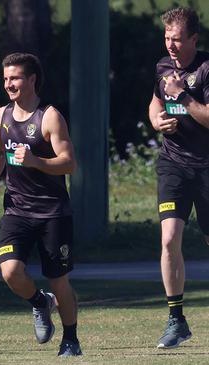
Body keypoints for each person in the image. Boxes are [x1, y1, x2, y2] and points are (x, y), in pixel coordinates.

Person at [0, 52, 81, 357]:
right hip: (17, 210)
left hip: (52, 212)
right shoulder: (1, 116)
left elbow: (69, 164)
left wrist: (36, 161)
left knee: (58, 279)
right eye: (6, 79)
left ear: (32, 80)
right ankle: (39, 302)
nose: (9, 84)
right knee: (10, 271)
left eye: (15, 78)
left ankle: (71, 339)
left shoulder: (50, 116)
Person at [148, 6, 209, 349]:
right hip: (173, 163)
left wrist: (183, 97)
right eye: (167, 38)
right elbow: (155, 102)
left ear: (194, 39)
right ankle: (176, 319)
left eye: (177, 39)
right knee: (169, 237)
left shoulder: (206, 69)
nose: (170, 45)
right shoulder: (161, 67)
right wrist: (158, 120)